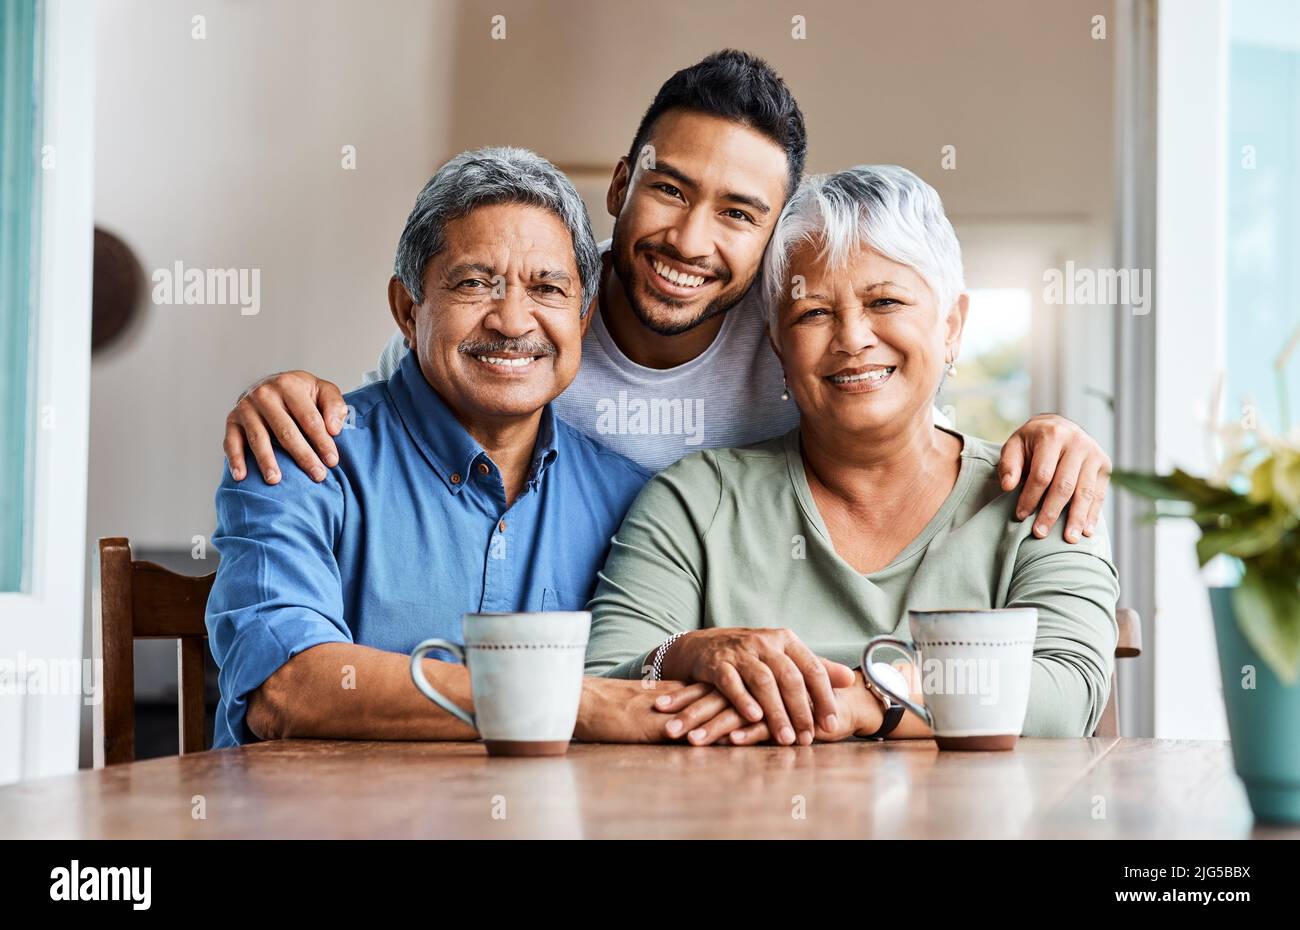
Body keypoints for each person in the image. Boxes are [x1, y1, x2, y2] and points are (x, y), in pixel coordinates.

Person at [216, 49, 1112, 736]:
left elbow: (888, 392)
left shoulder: (771, 365)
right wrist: (283, 392)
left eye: (738, 212)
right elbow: (405, 398)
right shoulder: (343, 435)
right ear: (621, 186)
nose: (689, 239)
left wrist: (1046, 436)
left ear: (767, 251)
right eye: (670, 189)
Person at [206, 147, 729, 748]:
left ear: (582, 319)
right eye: (475, 283)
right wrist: (569, 705)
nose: (512, 321)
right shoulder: (303, 450)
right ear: (408, 309)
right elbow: (286, 690)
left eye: (547, 288)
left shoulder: (635, 500)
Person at [584, 166, 1120, 748]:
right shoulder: (696, 499)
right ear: (778, 348)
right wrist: (685, 653)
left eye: (885, 301)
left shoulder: (1044, 489)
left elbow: (1066, 696)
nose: (853, 338)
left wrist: (876, 698)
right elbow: (599, 686)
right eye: (813, 312)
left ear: (952, 327)